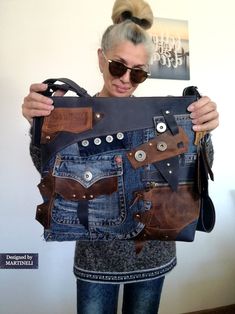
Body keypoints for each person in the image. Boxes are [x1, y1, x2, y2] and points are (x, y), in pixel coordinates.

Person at [22, 0, 219, 313]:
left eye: (138, 73)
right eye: (118, 66)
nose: (126, 78)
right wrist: (39, 128)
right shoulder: (75, 114)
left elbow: (193, 168)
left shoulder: (163, 119)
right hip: (95, 253)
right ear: (101, 58)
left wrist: (204, 131)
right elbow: (49, 175)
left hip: (154, 249)